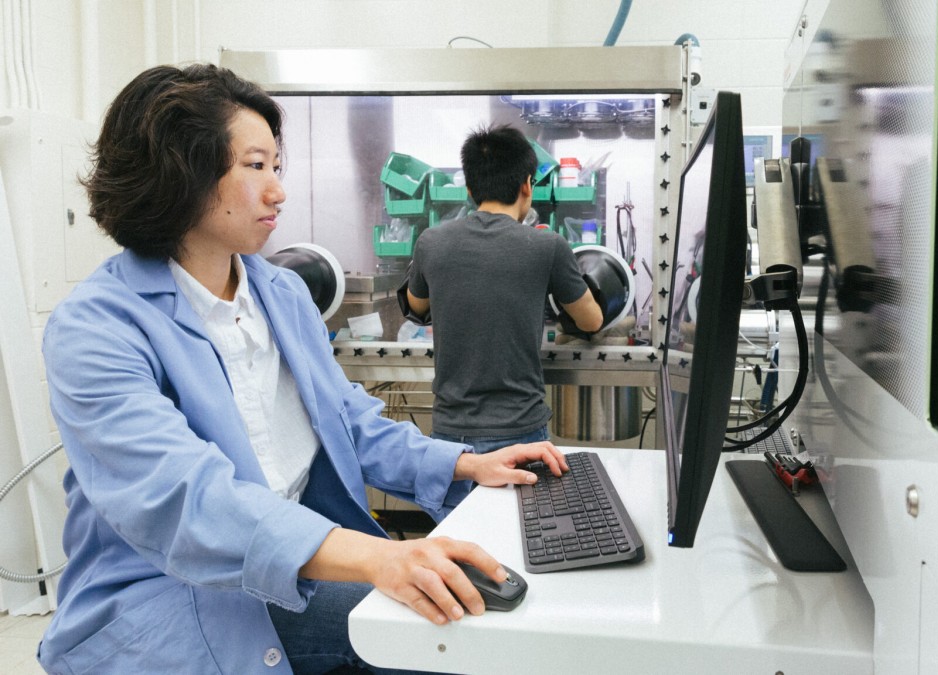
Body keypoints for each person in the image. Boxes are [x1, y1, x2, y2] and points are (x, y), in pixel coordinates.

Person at [38, 64, 569, 675]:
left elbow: (349, 422)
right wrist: (377, 558)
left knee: (476, 629)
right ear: (180, 172)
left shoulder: (279, 294)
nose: (278, 191)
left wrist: (465, 462)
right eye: (255, 166)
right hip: (168, 597)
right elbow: (187, 501)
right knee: (440, 643)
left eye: (277, 166)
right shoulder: (98, 328)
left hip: (286, 575)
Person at [404, 124, 603, 453]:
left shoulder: (430, 242)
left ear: (469, 188)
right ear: (527, 185)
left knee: (459, 508)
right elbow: (591, 321)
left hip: (451, 436)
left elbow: (417, 306)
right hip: (521, 431)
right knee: (523, 508)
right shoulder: (547, 245)